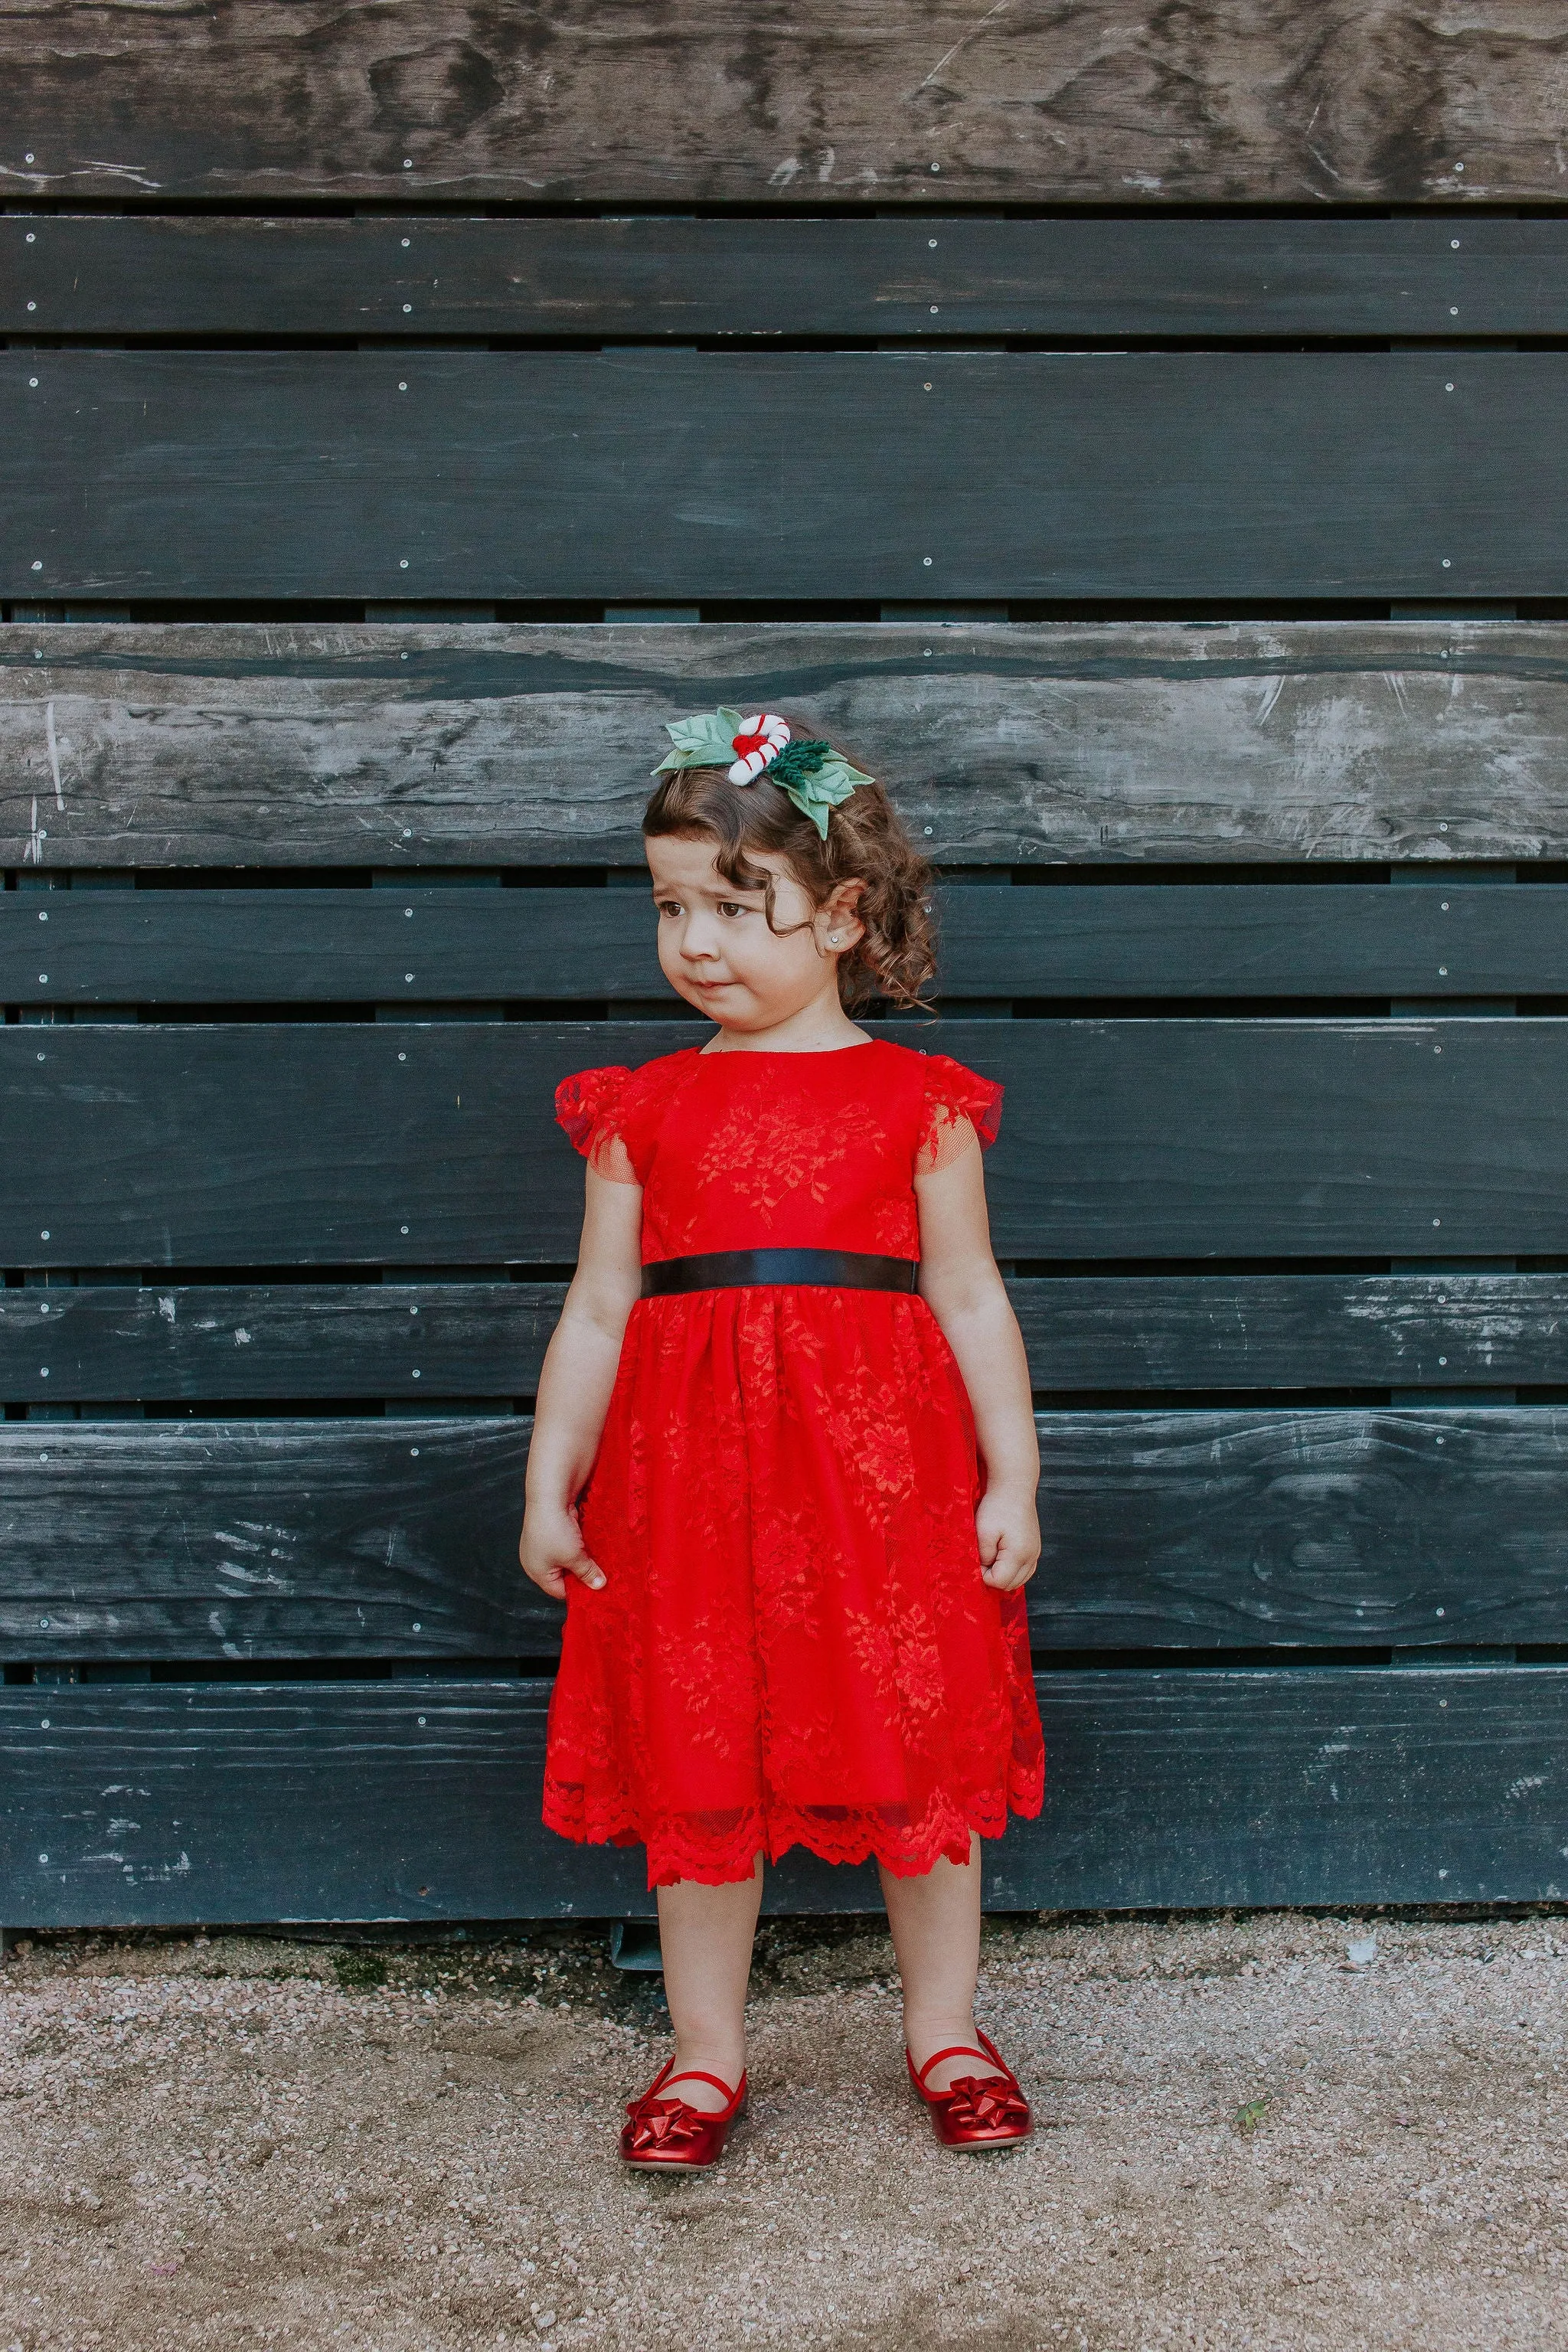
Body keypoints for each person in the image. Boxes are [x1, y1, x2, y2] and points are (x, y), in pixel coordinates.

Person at [518, 707, 1044, 2166]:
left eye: (736, 908)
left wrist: (1015, 1468)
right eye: (672, 907)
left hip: (884, 1484)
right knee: (700, 1760)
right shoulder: (642, 1109)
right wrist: (550, 1480)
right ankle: (704, 2055)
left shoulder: (919, 1103)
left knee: (918, 1751)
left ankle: (948, 2033)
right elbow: (599, 1313)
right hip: (684, 1487)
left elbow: (970, 1294)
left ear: (842, 917)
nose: (696, 941)